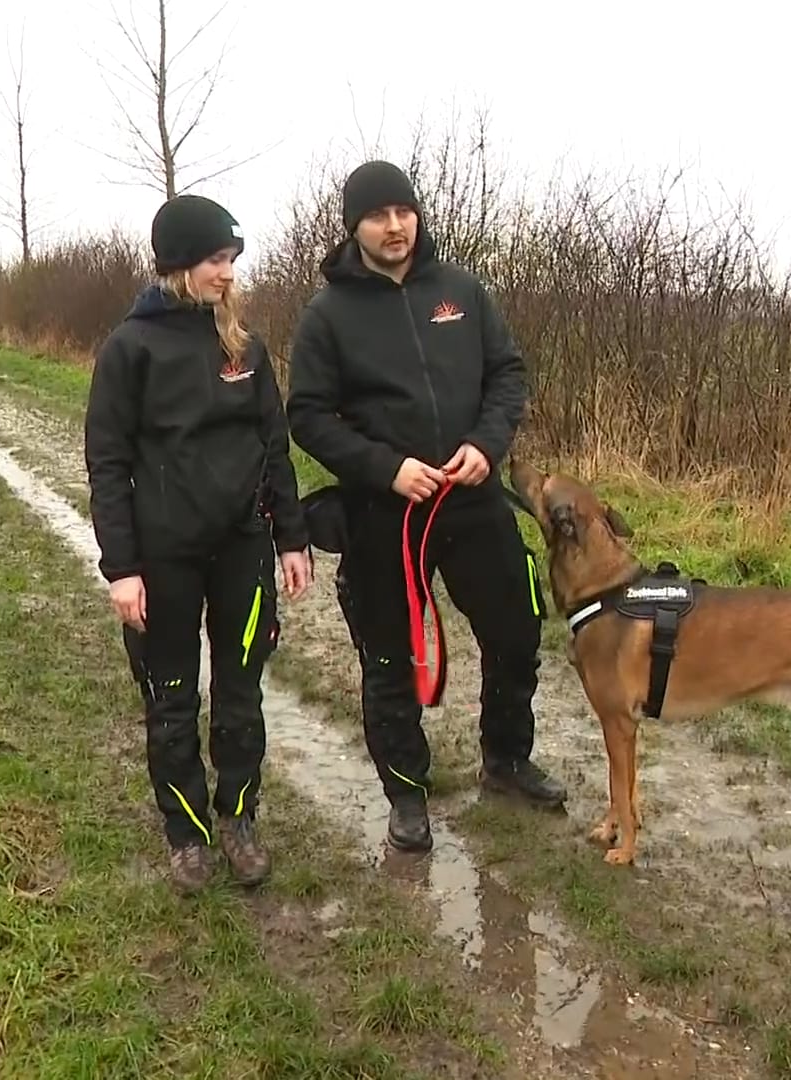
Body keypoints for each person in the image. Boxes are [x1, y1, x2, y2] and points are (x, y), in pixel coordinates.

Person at [286, 159, 566, 854]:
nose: (394, 226)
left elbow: (507, 375)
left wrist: (486, 443)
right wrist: (386, 469)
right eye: (378, 216)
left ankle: (506, 760)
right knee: (389, 659)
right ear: (355, 226)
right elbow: (310, 417)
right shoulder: (328, 316)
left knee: (516, 634)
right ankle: (406, 793)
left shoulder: (462, 292)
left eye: (403, 212)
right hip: (388, 516)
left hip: (472, 502)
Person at [84, 193, 313, 896]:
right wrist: (122, 570)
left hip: (242, 549)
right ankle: (187, 835)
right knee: (173, 697)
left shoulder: (243, 347)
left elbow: (273, 444)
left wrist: (292, 540)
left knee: (241, 695)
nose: (229, 273)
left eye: (233, 259)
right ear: (182, 264)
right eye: (219, 259)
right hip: (164, 559)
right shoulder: (131, 349)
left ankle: (239, 820)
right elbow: (108, 462)